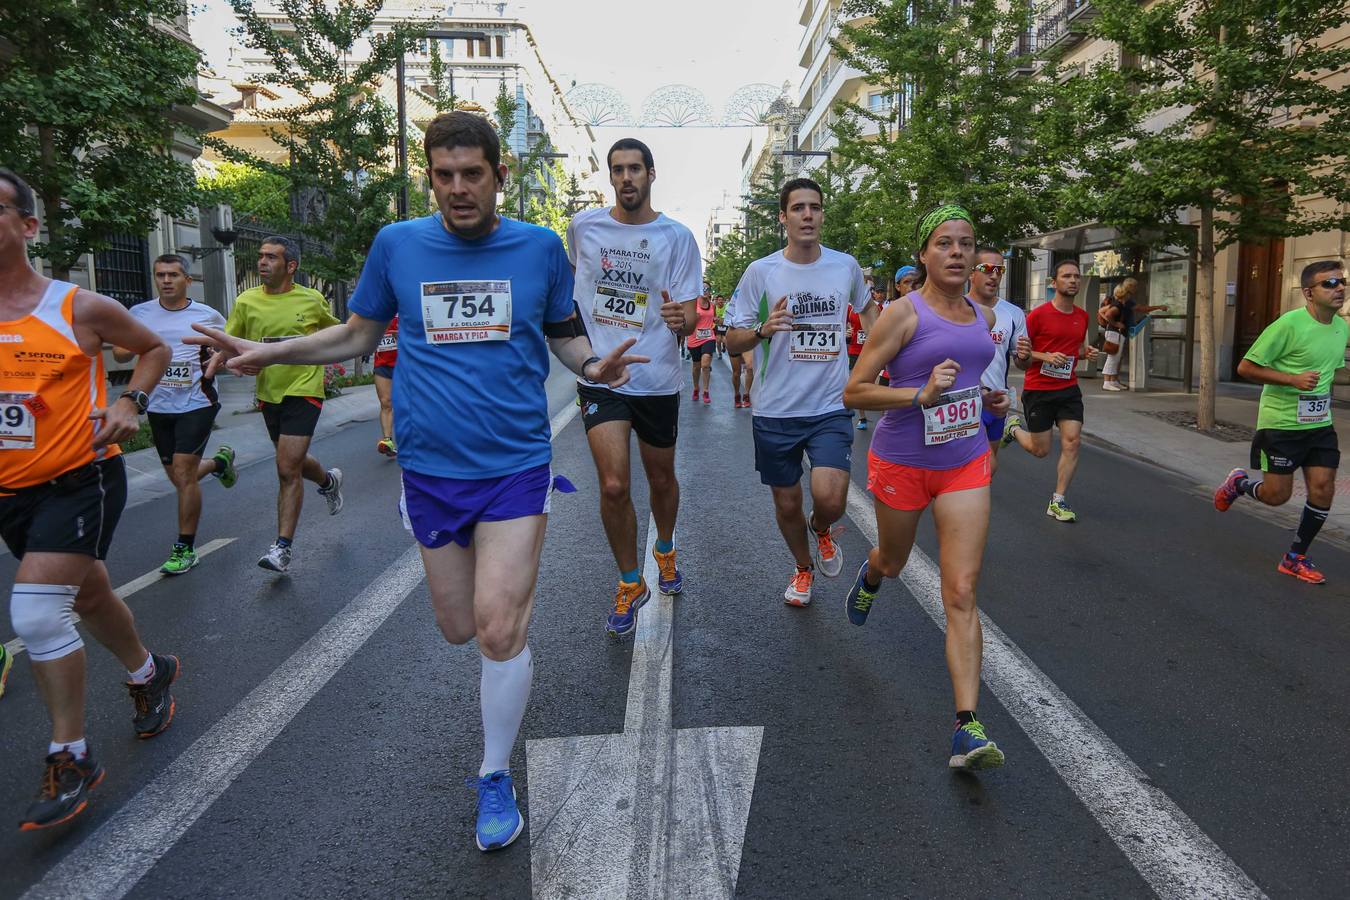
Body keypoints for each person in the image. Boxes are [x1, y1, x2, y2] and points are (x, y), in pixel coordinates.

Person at [189, 112, 643, 852]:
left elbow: (563, 331)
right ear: (429, 176)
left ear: (501, 174)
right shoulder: (398, 245)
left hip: (515, 465)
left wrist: (594, 367)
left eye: (473, 173)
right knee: (458, 627)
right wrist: (268, 352)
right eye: (444, 175)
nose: (458, 188)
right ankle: (483, 640)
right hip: (431, 470)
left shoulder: (538, 248)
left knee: (499, 628)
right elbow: (359, 334)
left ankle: (495, 774)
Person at [0, 169, 181, 830]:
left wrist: (131, 398)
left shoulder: (75, 307)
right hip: (12, 495)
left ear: (27, 225)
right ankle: (149, 672)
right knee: (91, 595)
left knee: (39, 614)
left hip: (80, 478)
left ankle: (69, 754)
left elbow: (154, 348)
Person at [842, 204, 1010, 771]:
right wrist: (918, 396)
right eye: (944, 244)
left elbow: (967, 379)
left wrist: (986, 401)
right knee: (893, 560)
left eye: (966, 243)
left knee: (961, 590)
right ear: (924, 254)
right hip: (904, 460)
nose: (958, 253)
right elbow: (855, 392)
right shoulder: (901, 315)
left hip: (965, 460)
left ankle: (967, 728)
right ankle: (871, 573)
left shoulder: (981, 317)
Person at [567, 138, 702, 637]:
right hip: (601, 375)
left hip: (656, 377)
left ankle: (664, 548)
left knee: (661, 479)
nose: (627, 178)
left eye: (635, 169)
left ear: (650, 174)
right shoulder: (583, 227)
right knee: (614, 484)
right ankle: (629, 581)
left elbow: (688, 316)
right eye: (618, 170)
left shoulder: (678, 237)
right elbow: (572, 286)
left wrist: (678, 320)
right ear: (610, 177)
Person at [725, 178, 875, 607]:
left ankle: (822, 527)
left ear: (823, 214)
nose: (808, 215)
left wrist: (883, 358)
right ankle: (803, 567)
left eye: (815, 207)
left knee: (830, 498)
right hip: (775, 410)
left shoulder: (845, 266)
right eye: (798, 208)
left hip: (829, 406)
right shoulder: (761, 271)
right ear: (783, 218)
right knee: (787, 504)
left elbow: (869, 314)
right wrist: (760, 330)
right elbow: (731, 340)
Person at [1215, 261, 1347, 584]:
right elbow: (1245, 367)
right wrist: (1291, 379)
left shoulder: (1341, 327)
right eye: (1328, 283)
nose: (1339, 288)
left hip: (1318, 425)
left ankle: (1295, 557)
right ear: (1308, 293)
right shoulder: (1288, 325)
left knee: (1323, 488)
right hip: (1280, 425)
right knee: (1277, 496)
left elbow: (1329, 373)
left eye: (1341, 281)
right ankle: (1239, 484)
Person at [225, 236, 345, 572]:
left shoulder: (311, 299)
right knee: (291, 461)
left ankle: (282, 548)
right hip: (268, 393)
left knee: (286, 468)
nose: (262, 262)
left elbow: (336, 333)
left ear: (291, 266)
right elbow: (230, 342)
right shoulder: (246, 301)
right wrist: (226, 363)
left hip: (304, 388)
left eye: (271, 257)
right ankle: (328, 481)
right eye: (261, 256)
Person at [114, 254, 239, 575]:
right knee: (179, 477)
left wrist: (219, 358)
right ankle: (219, 463)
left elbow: (229, 348)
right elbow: (119, 352)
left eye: (173, 275)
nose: (166, 280)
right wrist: (131, 341)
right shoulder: (140, 313)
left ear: (188, 280)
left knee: (183, 473)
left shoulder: (207, 315)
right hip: (157, 405)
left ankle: (185, 547)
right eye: (160, 275)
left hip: (197, 401)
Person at [1000, 259, 1100, 521]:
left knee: (1072, 441)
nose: (1073, 281)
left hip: (1068, 389)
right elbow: (1020, 351)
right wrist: (1045, 356)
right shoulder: (1038, 315)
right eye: (1067, 276)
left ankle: (1058, 501)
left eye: (1077, 276)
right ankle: (1013, 428)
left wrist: (1085, 352)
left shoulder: (1082, 316)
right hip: (1039, 389)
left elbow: (1073, 350)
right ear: (1054, 283)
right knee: (1040, 450)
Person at [966, 246, 1029, 475]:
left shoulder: (1013, 313)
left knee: (985, 474)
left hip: (997, 404)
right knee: (984, 466)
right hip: (966, 403)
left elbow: (1022, 363)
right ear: (971, 272)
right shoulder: (956, 308)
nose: (994, 275)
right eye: (987, 268)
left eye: (999, 270)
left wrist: (1025, 357)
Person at [1097, 277, 1167, 391]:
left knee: (1116, 357)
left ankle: (1113, 381)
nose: (1135, 290)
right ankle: (1107, 382)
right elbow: (1108, 314)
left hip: (1117, 332)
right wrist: (1116, 324)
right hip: (1115, 332)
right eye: (1134, 287)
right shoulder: (1119, 304)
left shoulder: (1122, 303)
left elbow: (1102, 311)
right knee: (1113, 357)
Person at [373, 316, 399, 457]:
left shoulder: (403, 309)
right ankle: (388, 441)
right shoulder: (377, 314)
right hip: (382, 364)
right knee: (385, 402)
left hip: (403, 363)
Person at [687, 292, 716, 404]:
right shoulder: (693, 304)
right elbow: (687, 321)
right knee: (696, 366)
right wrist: (694, 318)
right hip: (694, 338)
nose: (705, 291)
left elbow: (714, 318)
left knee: (705, 364)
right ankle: (696, 388)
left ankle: (706, 391)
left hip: (709, 337)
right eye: (703, 288)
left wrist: (717, 320)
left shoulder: (712, 305)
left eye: (707, 289)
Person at [847, 300, 869, 430]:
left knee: (873, 384)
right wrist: (846, 332)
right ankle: (862, 417)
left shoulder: (876, 307)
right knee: (858, 384)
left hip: (871, 350)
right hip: (855, 350)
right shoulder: (850, 309)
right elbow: (842, 324)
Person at [714, 294, 729, 359]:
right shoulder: (714, 307)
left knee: (724, 340)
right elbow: (713, 316)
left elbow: (726, 316)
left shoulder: (726, 306)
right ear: (717, 301)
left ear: (723, 301)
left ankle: (724, 346)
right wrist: (715, 318)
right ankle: (720, 354)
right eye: (719, 300)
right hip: (717, 326)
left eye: (722, 300)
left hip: (725, 325)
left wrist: (720, 319)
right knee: (718, 340)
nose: (720, 301)